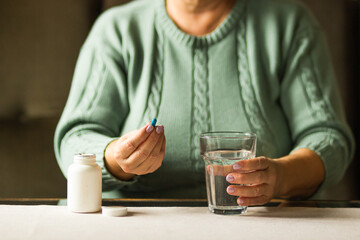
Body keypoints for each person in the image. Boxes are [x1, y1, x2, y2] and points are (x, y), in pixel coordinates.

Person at [54, 0, 355, 204]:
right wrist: (115, 159)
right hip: (135, 223)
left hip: (260, 225)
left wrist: (281, 177)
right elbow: (75, 139)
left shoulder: (290, 24)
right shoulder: (116, 30)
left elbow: (329, 139)